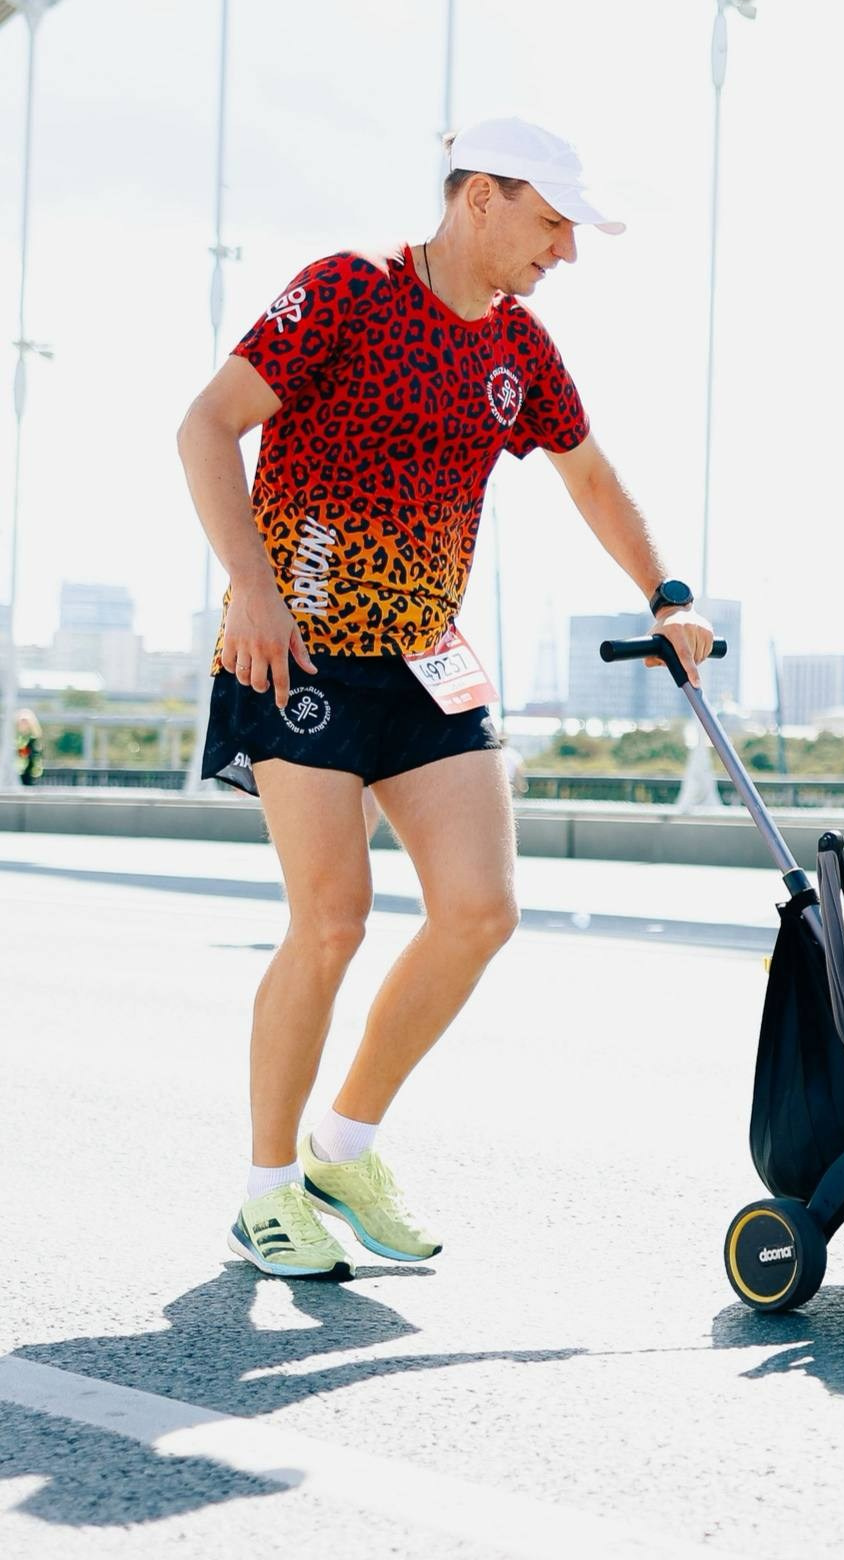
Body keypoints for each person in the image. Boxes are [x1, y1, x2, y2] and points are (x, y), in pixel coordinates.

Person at [176, 118, 715, 1280]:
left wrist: (667, 592)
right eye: (552, 221)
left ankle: (343, 1150)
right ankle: (267, 1191)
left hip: (426, 657)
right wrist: (252, 590)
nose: (564, 250)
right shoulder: (344, 293)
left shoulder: (521, 346)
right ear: (481, 197)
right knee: (332, 921)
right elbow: (206, 425)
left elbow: (588, 471)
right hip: (299, 655)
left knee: (480, 911)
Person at [13, 710, 39, 786]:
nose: (23, 725)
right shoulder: (15, 737)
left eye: (25, 722)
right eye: (22, 722)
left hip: (28, 773)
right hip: (16, 771)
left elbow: (31, 755)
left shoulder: (33, 739)